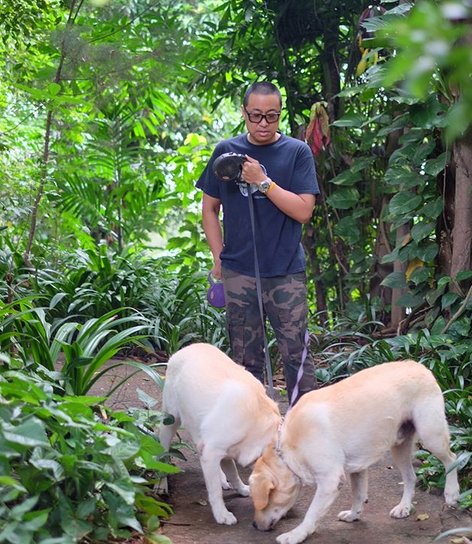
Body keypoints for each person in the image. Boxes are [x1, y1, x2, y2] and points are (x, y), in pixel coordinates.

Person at [196, 81, 320, 404]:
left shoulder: (297, 152)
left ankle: (306, 432)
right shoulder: (225, 151)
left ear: (280, 114)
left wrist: (262, 182)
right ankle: (254, 435)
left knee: (297, 355)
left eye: (272, 116)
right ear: (243, 113)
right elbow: (209, 208)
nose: (263, 124)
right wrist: (218, 257)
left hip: (285, 272)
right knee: (245, 361)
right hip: (239, 272)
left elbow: (304, 210)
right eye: (256, 116)